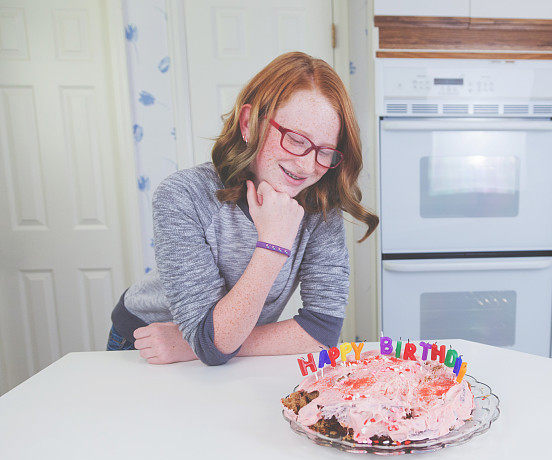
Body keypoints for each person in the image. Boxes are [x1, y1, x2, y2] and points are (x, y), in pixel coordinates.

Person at [107, 52, 378, 365]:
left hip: (203, 345)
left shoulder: (318, 208)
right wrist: (273, 245)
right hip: (146, 343)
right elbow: (212, 343)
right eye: (295, 139)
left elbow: (322, 329)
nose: (306, 165)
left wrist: (194, 343)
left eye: (325, 151)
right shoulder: (183, 195)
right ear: (249, 124)